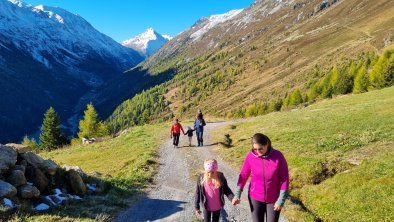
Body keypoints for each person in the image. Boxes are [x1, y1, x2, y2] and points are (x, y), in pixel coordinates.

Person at [232, 133, 289, 222]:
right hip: (255, 197)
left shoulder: (278, 156)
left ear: (267, 145)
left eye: (260, 149)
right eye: (255, 149)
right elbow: (243, 175)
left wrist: (281, 199)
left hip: (273, 198)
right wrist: (237, 194)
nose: (258, 152)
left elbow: (284, 179)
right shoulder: (250, 156)